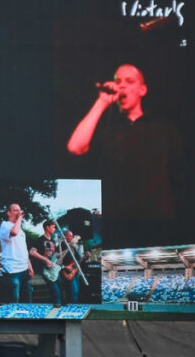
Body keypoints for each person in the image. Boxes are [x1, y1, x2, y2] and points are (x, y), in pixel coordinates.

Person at [66, 63, 179, 234]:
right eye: (118, 81)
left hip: (157, 219)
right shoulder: (106, 126)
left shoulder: (163, 128)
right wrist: (102, 102)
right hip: (116, 220)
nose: (122, 85)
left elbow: (179, 175)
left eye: (129, 81)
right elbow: (75, 147)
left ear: (142, 90)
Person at [0, 203, 32, 304]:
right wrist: (20, 218)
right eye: (16, 210)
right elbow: (14, 233)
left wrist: (30, 266)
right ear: (9, 213)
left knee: (26, 301)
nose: (19, 212)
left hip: (24, 269)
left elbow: (23, 249)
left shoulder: (20, 228)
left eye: (20, 210)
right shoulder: (5, 225)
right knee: (13, 302)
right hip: (11, 270)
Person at [29, 221, 60, 305]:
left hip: (52, 268)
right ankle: (57, 306)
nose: (55, 229)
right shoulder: (40, 240)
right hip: (43, 268)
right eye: (53, 227)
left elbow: (54, 256)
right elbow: (32, 252)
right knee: (55, 290)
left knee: (58, 288)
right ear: (47, 227)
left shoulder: (53, 241)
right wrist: (45, 260)